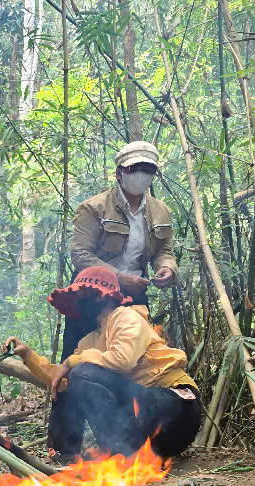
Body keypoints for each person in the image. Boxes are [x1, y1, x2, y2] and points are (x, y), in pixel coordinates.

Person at [6, 267, 201, 463]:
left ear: (99, 296)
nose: (78, 301)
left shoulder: (125, 316)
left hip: (178, 410)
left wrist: (75, 360)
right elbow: (64, 379)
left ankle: (119, 454)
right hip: (147, 431)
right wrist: (28, 355)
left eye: (81, 294)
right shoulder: (91, 340)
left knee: (82, 371)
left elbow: (122, 360)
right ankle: (96, 456)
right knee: (77, 376)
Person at [64, 141, 177, 361]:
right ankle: (67, 393)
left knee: (133, 359)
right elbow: (80, 255)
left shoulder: (160, 211)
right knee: (80, 355)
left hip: (134, 295)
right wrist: (119, 278)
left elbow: (164, 250)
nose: (140, 175)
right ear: (119, 173)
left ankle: (127, 397)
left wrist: (167, 267)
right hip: (91, 294)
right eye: (133, 169)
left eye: (148, 170)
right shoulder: (94, 208)